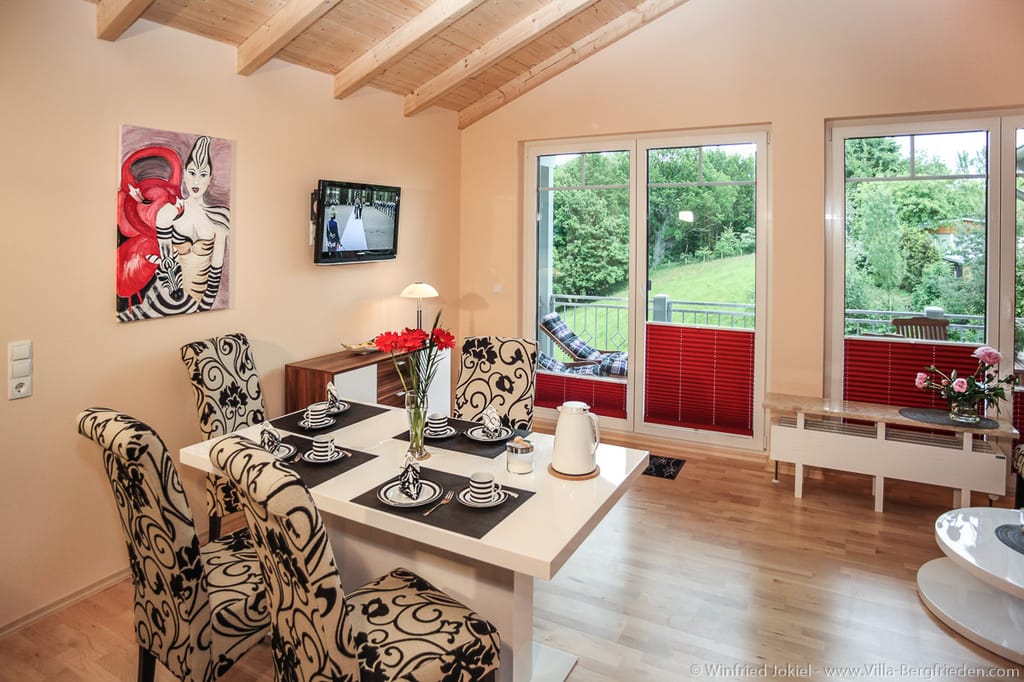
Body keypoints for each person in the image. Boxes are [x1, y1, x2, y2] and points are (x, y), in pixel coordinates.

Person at [171, 136, 230, 307]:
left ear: (210, 178)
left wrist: (204, 306)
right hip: (167, 301)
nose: (196, 181)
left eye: (203, 174)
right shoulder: (172, 211)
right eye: (192, 173)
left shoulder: (220, 217)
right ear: (184, 173)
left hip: (200, 303)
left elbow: (215, 271)